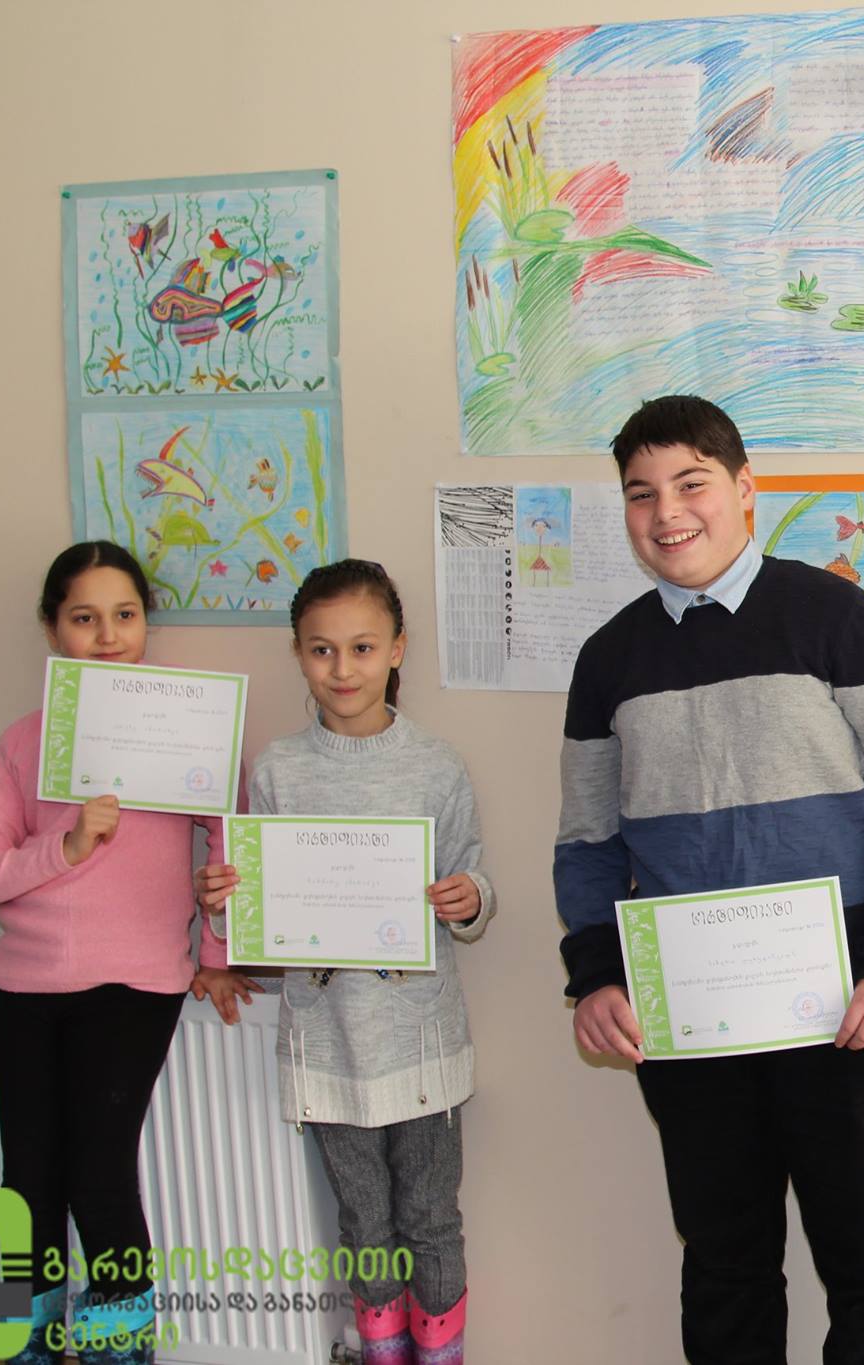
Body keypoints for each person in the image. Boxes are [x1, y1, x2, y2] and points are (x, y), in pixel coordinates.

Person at [555, 395, 864, 1363]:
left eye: (690, 483)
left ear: (744, 489)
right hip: (690, 1016)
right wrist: (597, 975)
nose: (666, 512)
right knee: (725, 1264)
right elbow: (588, 839)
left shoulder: (834, 617)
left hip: (846, 1006)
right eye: (640, 493)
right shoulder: (609, 660)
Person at [195, 559, 493, 1365]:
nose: (342, 668)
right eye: (321, 649)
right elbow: (263, 914)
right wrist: (225, 901)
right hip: (326, 1042)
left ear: (397, 648)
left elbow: (472, 877)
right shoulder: (277, 769)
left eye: (362, 647)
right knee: (363, 1223)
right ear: (298, 653)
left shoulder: (436, 764)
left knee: (431, 1221)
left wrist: (470, 897)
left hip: (419, 1041)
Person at [0, 541, 241, 1365]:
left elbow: (233, 841)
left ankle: (120, 1344)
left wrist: (216, 950)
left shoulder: (188, 727)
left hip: (134, 985)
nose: (109, 635)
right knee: (26, 1180)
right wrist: (66, 846)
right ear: (53, 629)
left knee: (99, 1173)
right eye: (85, 617)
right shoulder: (24, 742)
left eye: (125, 615)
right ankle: (31, 1340)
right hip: (29, 987)